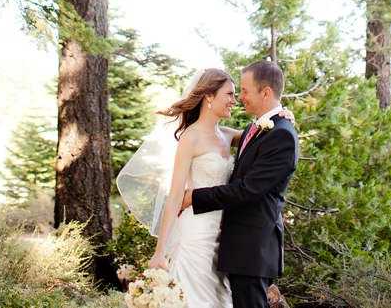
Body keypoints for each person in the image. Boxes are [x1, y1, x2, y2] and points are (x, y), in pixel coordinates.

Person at [180, 60, 299, 308]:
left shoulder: (282, 135)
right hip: (237, 248)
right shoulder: (255, 129)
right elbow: (218, 136)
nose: (240, 98)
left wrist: (194, 197)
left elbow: (248, 190)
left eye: (244, 91)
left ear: (266, 92)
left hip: (253, 249)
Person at [128, 68, 242, 308]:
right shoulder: (191, 138)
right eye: (229, 94)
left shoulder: (227, 135)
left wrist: (280, 116)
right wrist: (159, 252)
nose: (235, 101)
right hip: (196, 235)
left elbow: (263, 136)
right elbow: (175, 197)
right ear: (209, 97)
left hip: (225, 235)